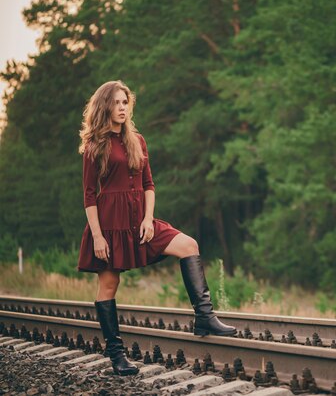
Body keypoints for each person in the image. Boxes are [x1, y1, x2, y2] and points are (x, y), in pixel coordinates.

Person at [77, 80, 236, 376]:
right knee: (109, 285)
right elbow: (89, 194)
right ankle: (117, 356)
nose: (122, 108)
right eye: (116, 102)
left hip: (141, 221)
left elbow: (149, 184)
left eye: (126, 102)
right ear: (105, 106)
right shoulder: (94, 145)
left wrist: (149, 219)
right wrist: (97, 236)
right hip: (110, 225)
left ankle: (204, 317)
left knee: (189, 245)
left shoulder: (137, 140)